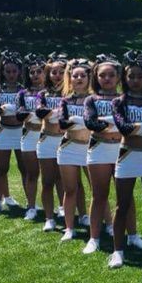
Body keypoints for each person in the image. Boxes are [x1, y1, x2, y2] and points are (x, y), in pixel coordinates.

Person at [108, 50, 142, 269]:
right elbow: (124, 129)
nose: (135, 80)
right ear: (124, 78)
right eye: (131, 76)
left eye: (140, 76)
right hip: (127, 156)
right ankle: (117, 251)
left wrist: (141, 128)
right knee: (122, 205)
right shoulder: (118, 102)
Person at [81, 54, 122, 255]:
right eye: (102, 75)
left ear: (118, 77)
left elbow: (129, 125)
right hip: (99, 148)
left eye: (111, 75)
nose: (107, 79)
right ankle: (94, 238)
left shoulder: (124, 99)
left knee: (125, 198)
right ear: (96, 77)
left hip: (122, 149)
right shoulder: (91, 99)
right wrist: (114, 124)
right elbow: (91, 123)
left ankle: (132, 235)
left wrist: (107, 123)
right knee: (99, 196)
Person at [58, 59, 93, 240]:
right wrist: (83, 122)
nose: (79, 78)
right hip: (69, 147)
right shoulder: (65, 100)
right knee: (70, 190)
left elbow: (96, 124)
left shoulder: (94, 99)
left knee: (98, 191)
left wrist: (75, 121)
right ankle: (69, 228)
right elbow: (62, 125)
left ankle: (109, 225)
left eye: (82, 75)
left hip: (91, 148)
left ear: (89, 78)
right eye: (75, 75)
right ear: (70, 78)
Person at [0, 50, 26, 215]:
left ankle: (31, 203)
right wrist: (7, 110)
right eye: (8, 71)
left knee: (24, 169)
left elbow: (26, 111)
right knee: (1, 169)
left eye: (14, 71)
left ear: (19, 72)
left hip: (20, 132)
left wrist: (9, 109)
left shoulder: (24, 90)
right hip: (3, 132)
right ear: (3, 72)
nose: (11, 75)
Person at [34, 52, 68, 231]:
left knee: (66, 181)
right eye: (54, 72)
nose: (57, 76)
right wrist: (58, 114)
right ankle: (49, 218)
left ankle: (68, 213)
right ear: (48, 74)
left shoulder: (70, 94)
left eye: (61, 72)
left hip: (66, 141)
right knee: (47, 181)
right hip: (47, 140)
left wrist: (52, 114)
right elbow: (40, 112)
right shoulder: (42, 94)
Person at [16, 53, 46, 221]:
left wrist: (33, 115)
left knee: (54, 175)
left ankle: (61, 208)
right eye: (32, 72)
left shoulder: (51, 93)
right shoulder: (22, 93)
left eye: (39, 71)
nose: (35, 75)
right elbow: (20, 114)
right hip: (28, 135)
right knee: (31, 173)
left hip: (47, 135)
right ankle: (31, 206)